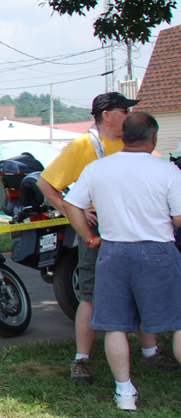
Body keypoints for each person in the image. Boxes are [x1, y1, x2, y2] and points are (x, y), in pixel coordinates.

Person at [37, 91, 178, 383]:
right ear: (106, 115)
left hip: (133, 235)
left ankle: (150, 351)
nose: (128, 115)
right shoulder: (83, 146)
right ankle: (82, 359)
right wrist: (75, 213)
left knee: (141, 295)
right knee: (90, 295)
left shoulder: (134, 147)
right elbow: (46, 183)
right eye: (123, 110)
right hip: (100, 233)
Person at [63, 112, 181, 410]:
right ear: (152, 137)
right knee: (178, 322)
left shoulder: (97, 168)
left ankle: (125, 393)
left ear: (121, 136)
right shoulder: (167, 170)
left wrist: (89, 238)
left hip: (113, 251)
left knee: (115, 325)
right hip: (158, 250)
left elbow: (71, 204)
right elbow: (179, 217)